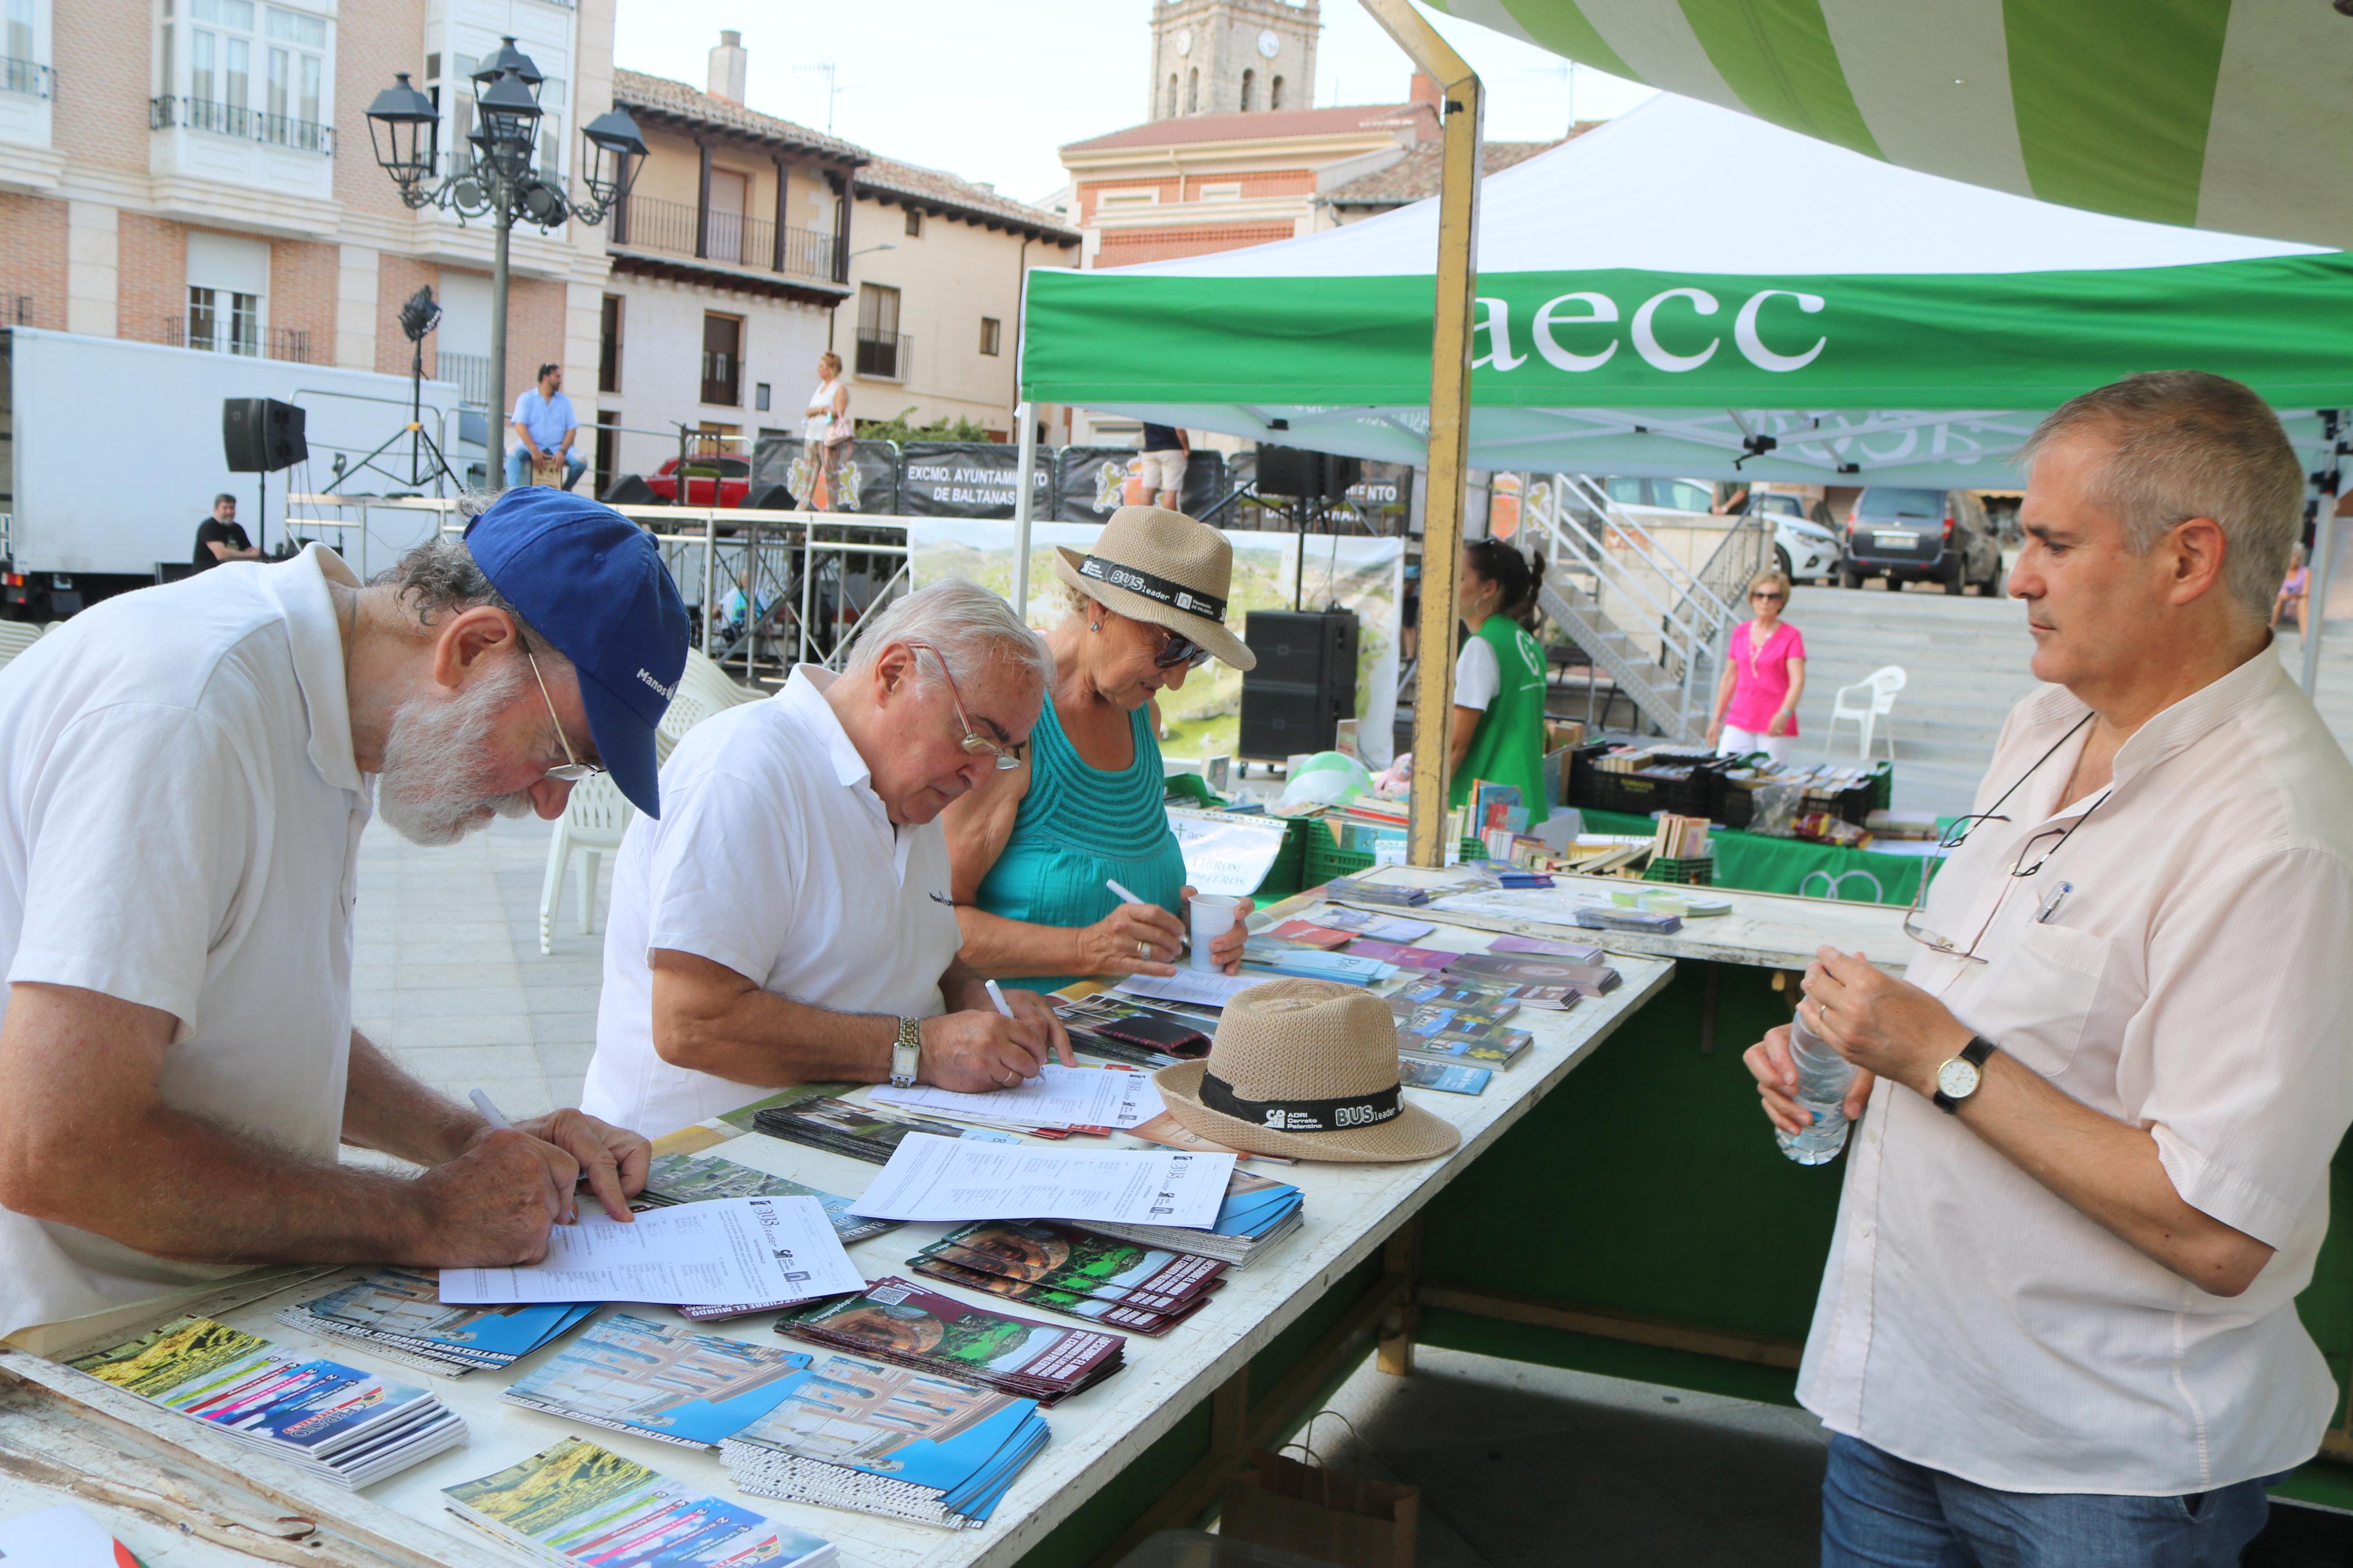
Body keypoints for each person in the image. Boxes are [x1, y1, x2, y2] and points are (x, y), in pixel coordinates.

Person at [1743, 372, 2353, 1566]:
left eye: (2049, 543)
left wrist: (1940, 1058)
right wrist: (1870, 1061)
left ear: (2185, 559)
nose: (2012, 574)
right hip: (1895, 1400)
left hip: (2091, 1469)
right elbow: (2001, 1017)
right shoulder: (2045, 722)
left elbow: (2216, 1228)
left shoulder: (2279, 830)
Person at [0, 488, 692, 1339]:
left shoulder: (327, 711)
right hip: (65, 1331)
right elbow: (55, 1147)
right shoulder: (188, 714)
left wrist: (471, 1139)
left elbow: (251, 1016)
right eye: (560, 753)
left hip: (183, 1297)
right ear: (471, 647)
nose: (550, 804)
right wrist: (418, 1216)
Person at [580, 579, 1076, 1135]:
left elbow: (924, 945)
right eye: (976, 737)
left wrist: (978, 1002)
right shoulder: (746, 770)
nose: (981, 774)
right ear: (894, 674)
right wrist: (919, 1048)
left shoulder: (909, 790)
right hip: (701, 1163)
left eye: (1004, 754)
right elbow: (693, 1023)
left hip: (858, 1138)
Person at [941, 506, 1256, 994]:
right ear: (1100, 609)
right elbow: (933, 925)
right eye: (1171, 646)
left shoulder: (1142, 716)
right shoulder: (1011, 722)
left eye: (1196, 655)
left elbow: (1121, 882)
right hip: (1027, 1044)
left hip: (1125, 1030)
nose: (1174, 679)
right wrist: (1087, 948)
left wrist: (1189, 923)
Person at [1446, 536, 1549, 827]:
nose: (1449, 582)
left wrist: (1416, 798)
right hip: (1522, 798)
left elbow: (1456, 746)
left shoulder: (1482, 646)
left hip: (1488, 811)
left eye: (1460, 576)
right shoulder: (1525, 641)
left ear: (1488, 588)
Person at [1705, 568, 1807, 764]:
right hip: (1741, 717)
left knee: (1766, 780)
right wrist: (1716, 718)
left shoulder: (1791, 636)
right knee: (1724, 770)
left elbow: (1798, 681)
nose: (1765, 601)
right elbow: (1729, 678)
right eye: (1759, 595)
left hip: (1774, 720)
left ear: (1781, 602)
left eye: (1772, 596)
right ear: (1752, 598)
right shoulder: (1741, 632)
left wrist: (1784, 713)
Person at [506, 363, 584, 492]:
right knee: (512, 454)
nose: (560, 380)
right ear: (546, 377)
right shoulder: (526, 398)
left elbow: (572, 429)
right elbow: (519, 425)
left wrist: (562, 451)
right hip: (529, 446)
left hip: (556, 448)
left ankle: (565, 490)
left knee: (581, 462)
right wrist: (533, 449)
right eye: (557, 376)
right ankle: (513, 492)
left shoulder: (565, 401)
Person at [803, 352, 850, 511]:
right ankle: (803, 503)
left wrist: (821, 410)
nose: (818, 370)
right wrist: (819, 410)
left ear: (831, 369)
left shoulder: (839, 388)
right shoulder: (820, 388)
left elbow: (838, 411)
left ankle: (831, 508)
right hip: (812, 435)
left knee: (830, 473)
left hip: (827, 438)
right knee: (809, 472)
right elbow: (809, 411)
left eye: (822, 366)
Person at [192, 492, 260, 571]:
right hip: (207, 575)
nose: (229, 512)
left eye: (232, 508)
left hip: (230, 575)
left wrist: (258, 552)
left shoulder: (237, 528)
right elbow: (222, 554)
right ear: (216, 510)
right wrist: (252, 556)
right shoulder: (209, 527)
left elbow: (248, 549)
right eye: (225, 508)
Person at [1137, 423, 1190, 510]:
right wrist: (1186, 448)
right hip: (1171, 450)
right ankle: (1168, 522)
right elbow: (1180, 429)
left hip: (1150, 450)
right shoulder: (1172, 409)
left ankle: (1143, 521)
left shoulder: (1147, 409)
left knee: (1147, 488)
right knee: (1170, 490)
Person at [2274, 542, 2309, 631]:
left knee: (2303, 601)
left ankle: (2306, 640)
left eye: (2294, 556)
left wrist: (2295, 596)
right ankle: (2270, 629)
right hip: (2282, 602)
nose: (2291, 559)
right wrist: (2284, 595)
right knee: (2279, 598)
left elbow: (2306, 593)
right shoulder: (2279, 571)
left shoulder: (2306, 572)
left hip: (2298, 602)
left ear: (2299, 557)